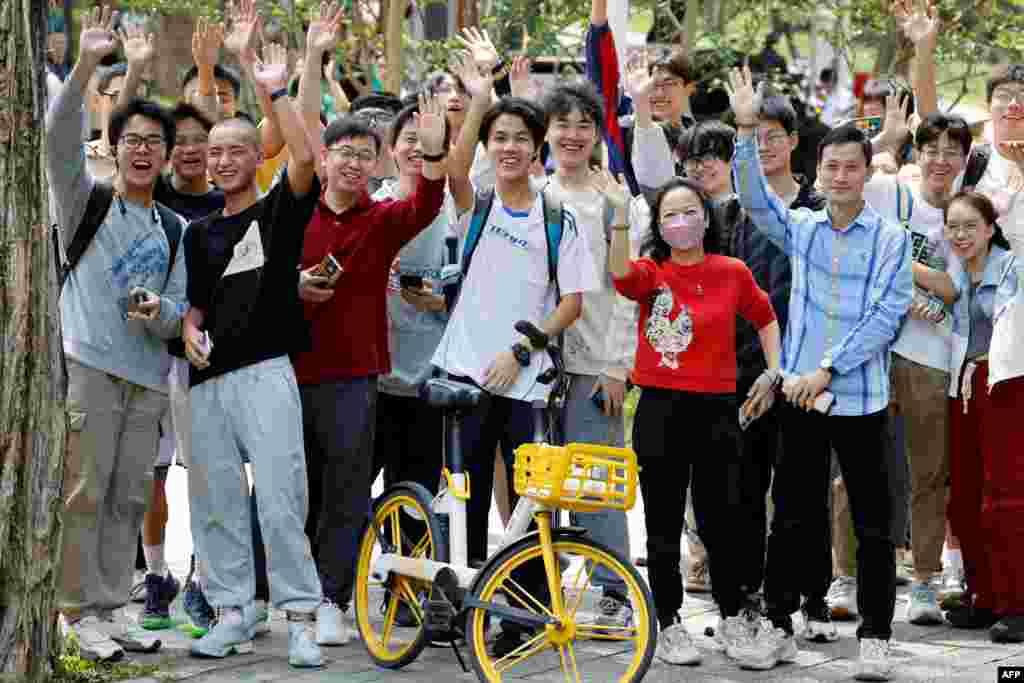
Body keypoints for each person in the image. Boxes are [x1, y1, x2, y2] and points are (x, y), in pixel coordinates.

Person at [732, 65, 913, 680]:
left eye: (852, 167)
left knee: (873, 523)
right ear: (819, 171)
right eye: (831, 167)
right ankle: (779, 626)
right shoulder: (802, 226)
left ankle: (877, 637)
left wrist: (827, 370)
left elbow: (887, 316)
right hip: (800, 399)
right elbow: (755, 199)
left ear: (867, 173)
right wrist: (745, 127)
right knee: (792, 513)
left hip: (858, 397)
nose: (840, 177)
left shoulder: (890, 238)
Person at [431, 48, 599, 657]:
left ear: (538, 149)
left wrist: (523, 348)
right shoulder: (477, 200)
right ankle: (458, 605)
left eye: (519, 139)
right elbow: (451, 169)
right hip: (465, 375)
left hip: (527, 382)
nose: (508, 148)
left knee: (530, 509)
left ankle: (520, 617)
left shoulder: (559, 218)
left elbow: (572, 303)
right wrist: (480, 95)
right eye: (498, 138)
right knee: (466, 494)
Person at [290, 3, 448, 646]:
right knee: (292, 490)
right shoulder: (295, 210)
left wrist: (434, 145)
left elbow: (430, 198)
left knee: (348, 493)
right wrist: (310, 57)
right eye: (342, 153)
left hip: (356, 377)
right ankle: (286, 596)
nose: (353, 162)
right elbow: (299, 129)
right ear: (323, 160)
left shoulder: (381, 223)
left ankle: (332, 598)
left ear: (377, 163)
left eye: (365, 154)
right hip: (290, 371)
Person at [179, 28, 324, 665]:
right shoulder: (199, 232)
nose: (222, 160)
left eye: (236, 150)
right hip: (207, 383)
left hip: (267, 373)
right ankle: (232, 610)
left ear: (252, 157)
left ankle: (299, 617)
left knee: (282, 497)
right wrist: (186, 326)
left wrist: (275, 91)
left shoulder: (277, 214)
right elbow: (194, 302)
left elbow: (305, 159)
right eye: (214, 151)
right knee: (214, 502)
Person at [47, 5, 187, 662]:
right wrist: (83, 63)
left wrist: (156, 309)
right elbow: (54, 136)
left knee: (129, 494)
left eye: (153, 143)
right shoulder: (86, 198)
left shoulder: (173, 229)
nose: (141, 149)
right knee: (87, 488)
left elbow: (177, 315)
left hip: (147, 376)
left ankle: (111, 606)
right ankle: (72, 612)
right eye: (130, 138)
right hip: (90, 366)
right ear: (115, 143)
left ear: (165, 155)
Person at [604, 172, 781, 668]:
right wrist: (620, 218)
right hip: (660, 408)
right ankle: (670, 622)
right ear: (659, 226)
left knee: (721, 519)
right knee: (660, 522)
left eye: (690, 213)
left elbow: (766, 318)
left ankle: (731, 618)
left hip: (718, 410)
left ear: (705, 218)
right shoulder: (649, 271)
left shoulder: (732, 271)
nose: (681, 223)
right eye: (670, 216)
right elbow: (619, 273)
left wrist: (774, 371)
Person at [532, 80, 635, 627]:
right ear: (545, 132)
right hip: (536, 365)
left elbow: (628, 289)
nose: (572, 135)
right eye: (562, 124)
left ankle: (617, 592)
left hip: (594, 361)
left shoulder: (613, 203)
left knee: (597, 479)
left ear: (597, 135)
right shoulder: (534, 193)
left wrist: (618, 364)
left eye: (584, 126)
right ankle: (545, 586)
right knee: (543, 483)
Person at [943, 192, 1022, 641]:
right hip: (963, 387)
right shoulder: (958, 274)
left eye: (970, 225)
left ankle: (1018, 604)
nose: (960, 234)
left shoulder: (1013, 268)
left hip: (1007, 386)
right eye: (953, 226)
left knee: (1006, 498)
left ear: (991, 228)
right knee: (966, 497)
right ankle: (984, 597)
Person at [586, 0, 696, 193]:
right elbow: (601, 71)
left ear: (689, 88)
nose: (659, 93)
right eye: (653, 84)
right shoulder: (624, 125)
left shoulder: (699, 137)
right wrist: (599, 7)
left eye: (669, 83)